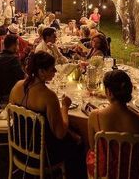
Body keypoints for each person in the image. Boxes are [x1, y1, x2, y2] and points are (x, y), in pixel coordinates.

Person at [10, 51, 87, 179]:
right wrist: (65, 107)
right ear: (41, 72)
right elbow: (60, 133)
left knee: (72, 133)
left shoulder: (17, 86)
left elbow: (13, 115)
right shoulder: (49, 97)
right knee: (79, 140)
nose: (55, 71)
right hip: (42, 154)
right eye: (52, 69)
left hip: (19, 146)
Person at [87, 70, 139, 178]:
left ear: (108, 92)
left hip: (105, 173)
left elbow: (93, 148)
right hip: (133, 173)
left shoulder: (95, 116)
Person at [0, 34, 24, 105]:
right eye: (18, 44)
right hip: (10, 94)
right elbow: (21, 78)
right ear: (14, 45)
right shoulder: (13, 59)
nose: (18, 47)